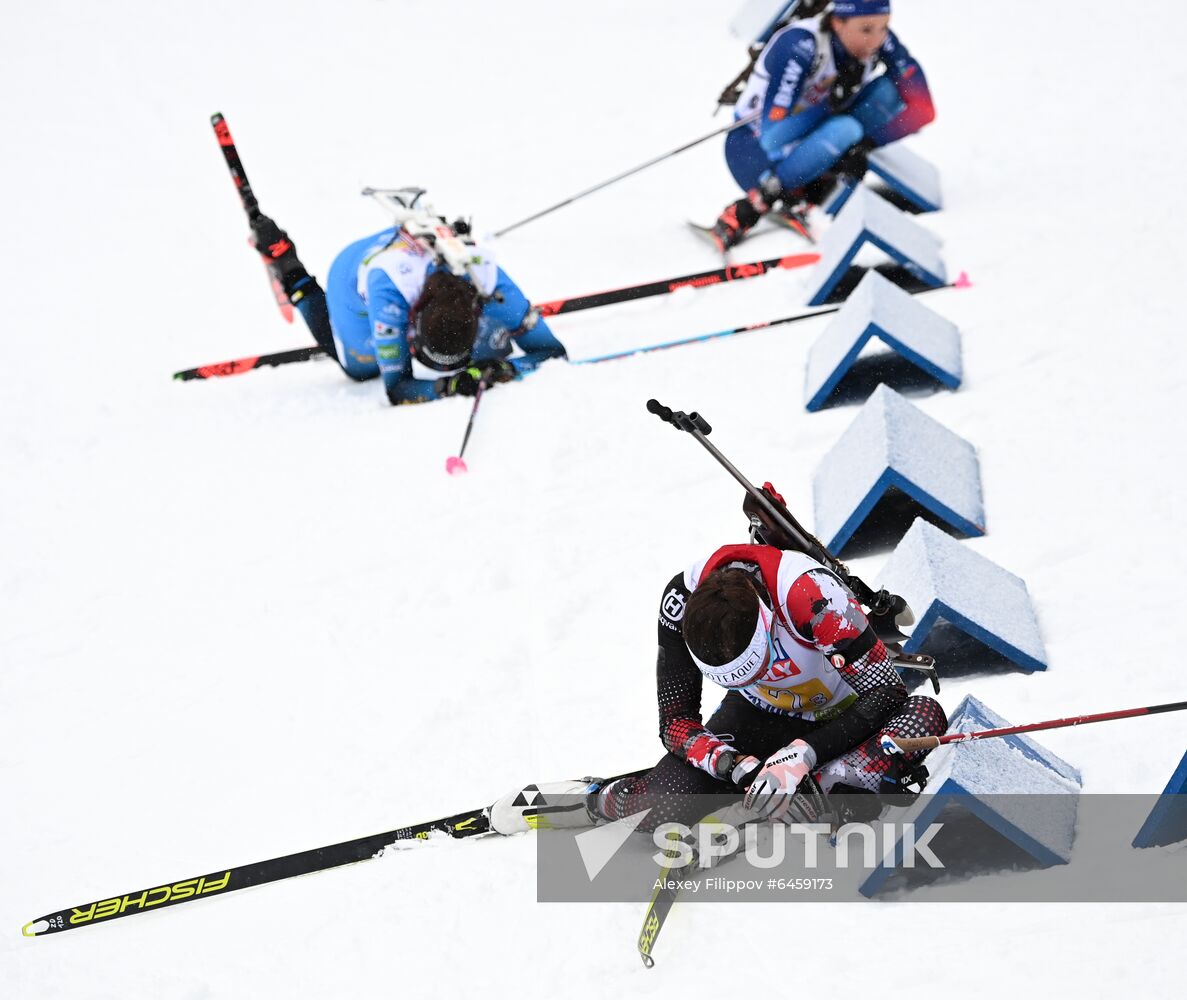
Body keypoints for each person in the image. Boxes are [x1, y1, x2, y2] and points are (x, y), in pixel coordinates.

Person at [490, 486, 947, 835]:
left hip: (847, 714)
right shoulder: (679, 599)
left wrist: (805, 754)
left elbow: (887, 692)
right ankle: (595, 798)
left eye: (760, 662)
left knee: (923, 719)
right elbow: (675, 723)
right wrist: (731, 764)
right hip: (760, 717)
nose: (761, 674)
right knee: (661, 812)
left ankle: (822, 786)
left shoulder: (810, 595)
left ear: (768, 621)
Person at [247, 209, 567, 405]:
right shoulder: (389, 293)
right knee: (360, 369)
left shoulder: (488, 277)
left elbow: (552, 352)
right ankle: (290, 269)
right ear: (411, 323)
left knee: (494, 353)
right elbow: (398, 388)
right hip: (354, 275)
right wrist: (447, 387)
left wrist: (508, 369)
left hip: (414, 260)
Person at [710, 0, 936, 252]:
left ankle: (821, 178)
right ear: (838, 22)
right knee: (845, 128)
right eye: (866, 30)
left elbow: (924, 109)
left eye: (884, 27)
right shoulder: (801, 44)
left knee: (888, 93)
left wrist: (865, 145)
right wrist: (830, 103)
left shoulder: (878, 40)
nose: (877, 39)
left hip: (813, 139)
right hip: (752, 152)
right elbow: (772, 135)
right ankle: (760, 199)